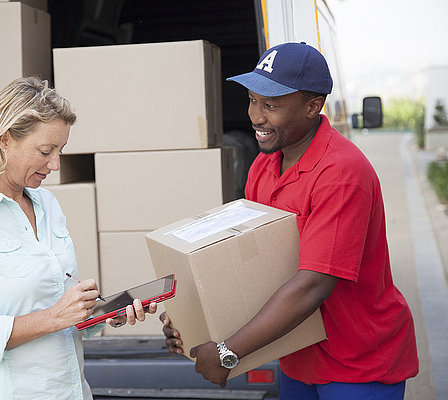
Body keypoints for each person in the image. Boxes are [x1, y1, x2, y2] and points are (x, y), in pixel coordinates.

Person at [160, 42, 419, 399]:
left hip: (358, 365)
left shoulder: (341, 173)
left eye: (271, 105)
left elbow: (313, 285)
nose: (256, 116)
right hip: (299, 354)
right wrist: (193, 322)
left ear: (313, 106)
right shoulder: (264, 167)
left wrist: (227, 351)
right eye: (252, 100)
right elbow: (248, 264)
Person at [0, 76, 157, 400]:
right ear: (4, 140)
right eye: (46, 150)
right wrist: (54, 317)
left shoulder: (46, 204)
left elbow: (57, 307)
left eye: (60, 150)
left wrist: (99, 315)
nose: (56, 164)